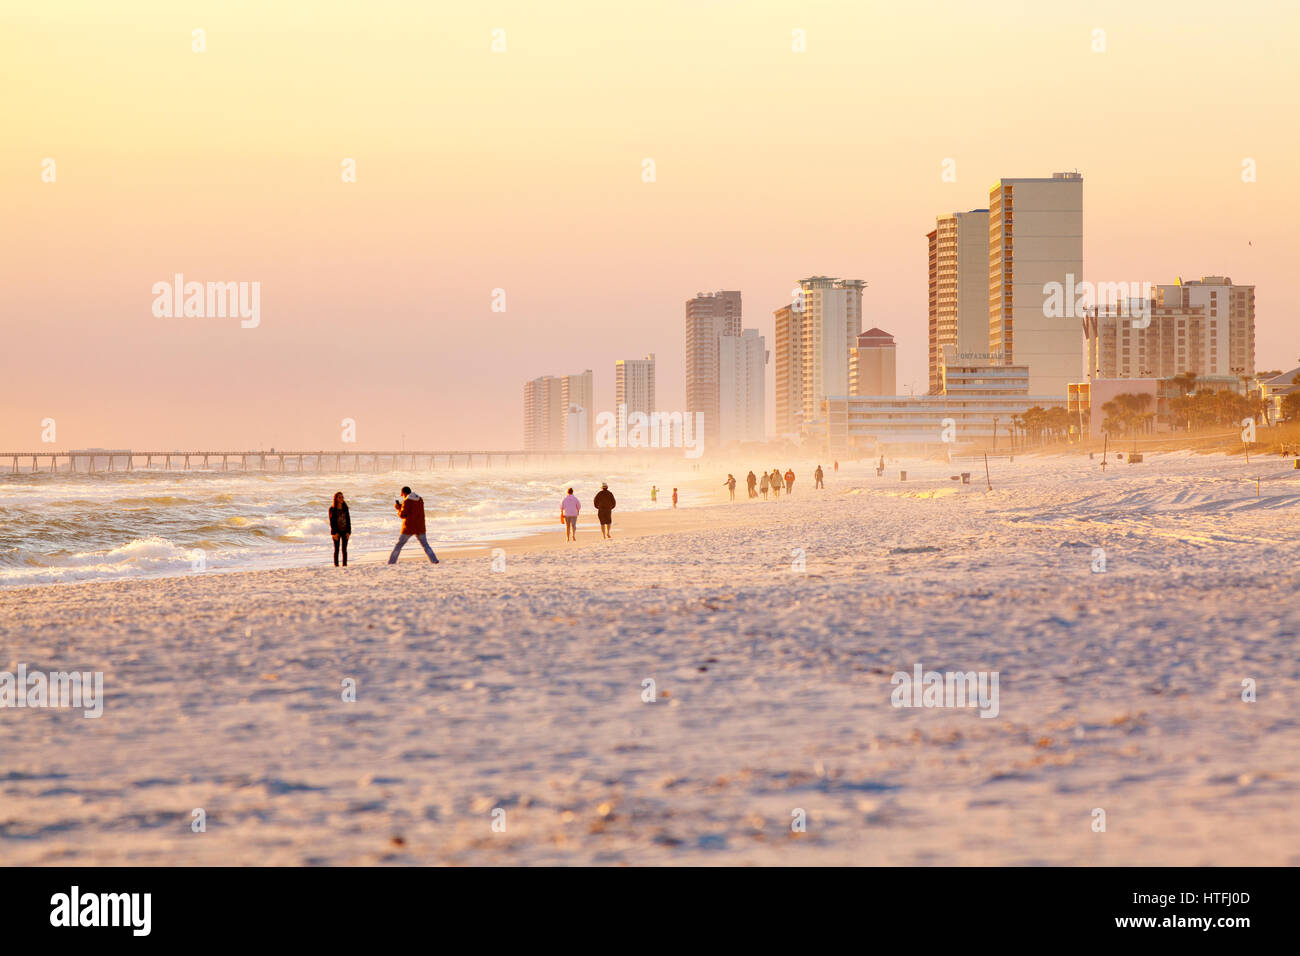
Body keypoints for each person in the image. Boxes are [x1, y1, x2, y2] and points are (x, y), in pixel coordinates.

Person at [388, 486, 439, 564]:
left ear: (404, 493)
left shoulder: (407, 501)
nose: (402, 496)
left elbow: (402, 515)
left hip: (409, 527)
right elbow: (414, 510)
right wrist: (402, 507)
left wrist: (398, 508)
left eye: (402, 494)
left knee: (399, 545)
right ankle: (434, 560)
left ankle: (391, 562)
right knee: (425, 545)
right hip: (420, 526)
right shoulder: (420, 499)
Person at [329, 491, 351, 567]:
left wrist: (349, 532)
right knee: (336, 550)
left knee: (344, 550)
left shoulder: (345, 508)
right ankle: (336, 565)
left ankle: (344, 565)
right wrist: (334, 533)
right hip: (336, 532)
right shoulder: (332, 509)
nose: (341, 498)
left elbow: (348, 520)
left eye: (342, 497)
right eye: (339, 497)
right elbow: (332, 522)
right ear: (336, 499)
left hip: (345, 531)